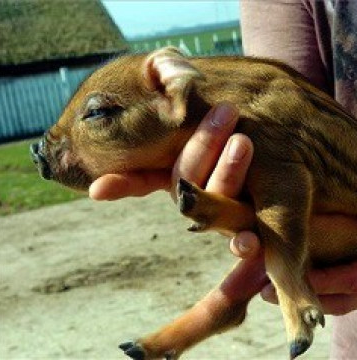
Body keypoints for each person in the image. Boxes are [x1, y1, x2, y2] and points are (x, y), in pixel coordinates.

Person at [89, 1, 357, 358]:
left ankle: (217, 307)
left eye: (97, 114)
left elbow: (284, 181)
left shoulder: (257, 106)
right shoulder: (255, 97)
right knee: (266, 213)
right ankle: (212, 309)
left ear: (168, 87)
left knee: (273, 219)